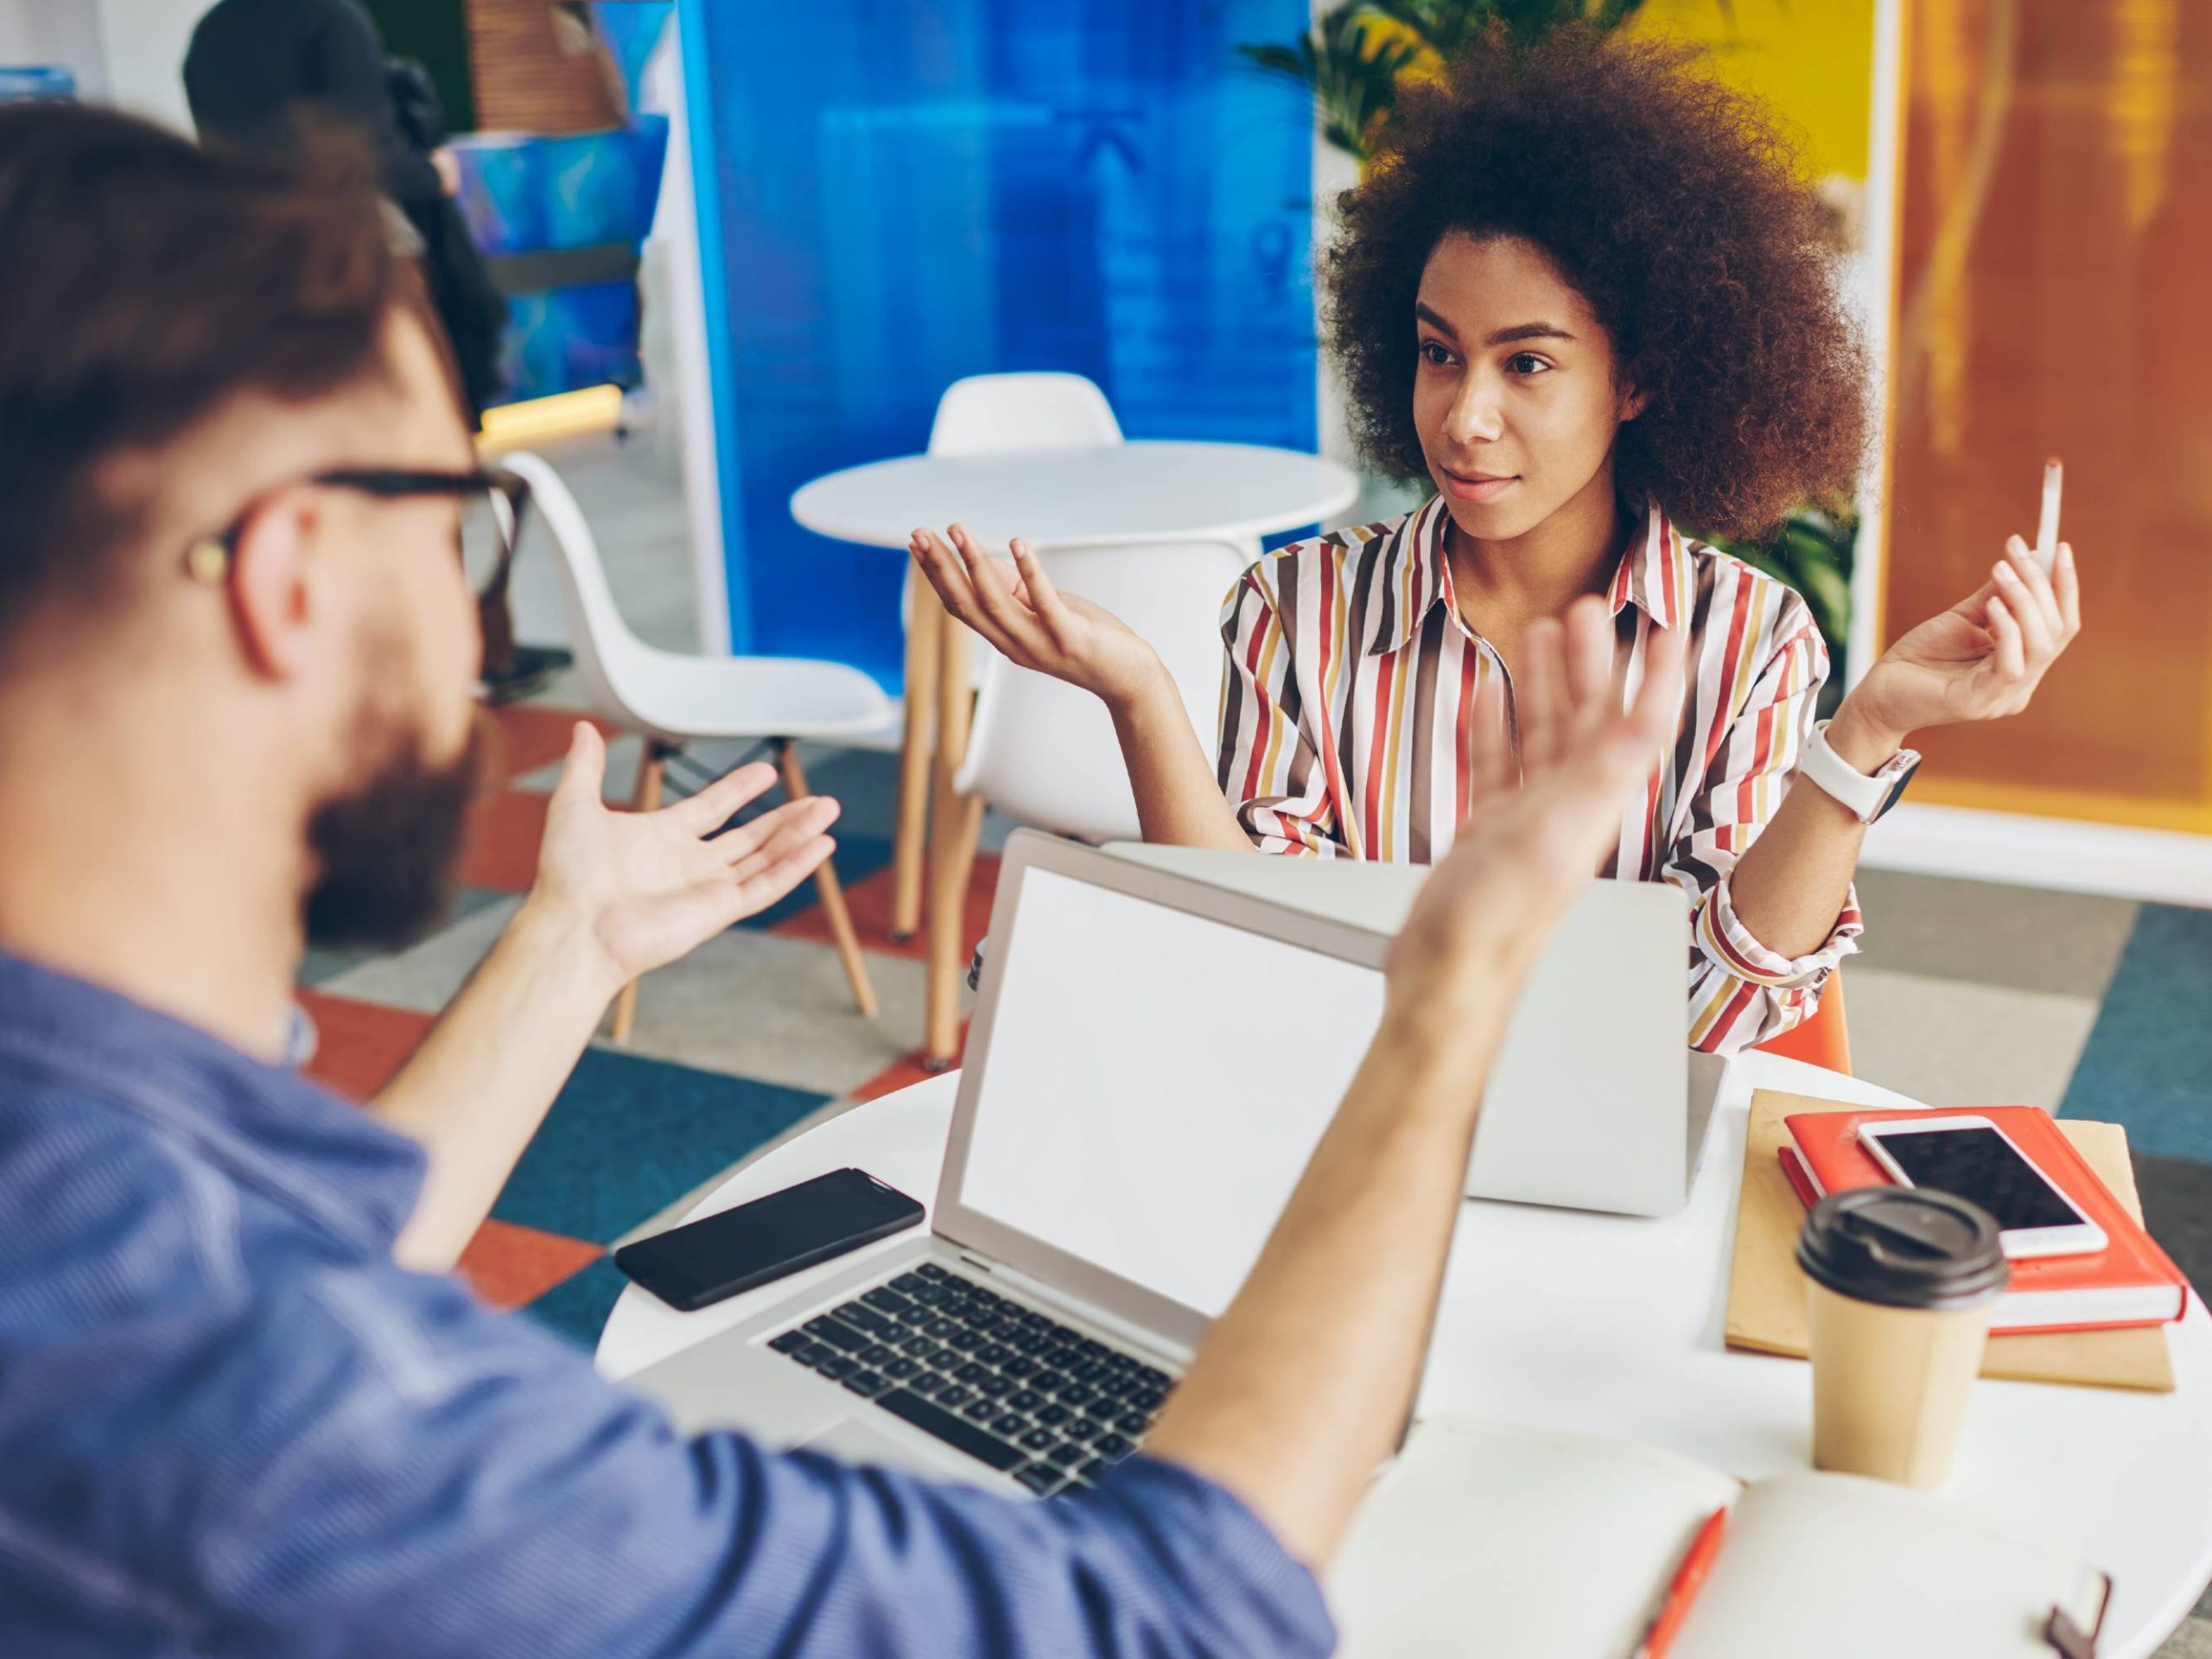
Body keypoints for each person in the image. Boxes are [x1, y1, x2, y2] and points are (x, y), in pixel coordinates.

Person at [0, 103, 1681, 1655]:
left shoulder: (83, 1179)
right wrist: (1454, 976)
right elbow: (1172, 1621)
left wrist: (569, 946)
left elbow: (293, 1238)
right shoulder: (256, 1432)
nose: (467, 620)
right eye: (458, 523)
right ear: (291, 576)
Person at [910, 28, 2082, 1054]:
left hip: (1619, 1137)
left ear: (1639, 378)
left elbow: (1720, 1003)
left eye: (1527, 363)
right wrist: (1140, 696)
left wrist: (1865, 732)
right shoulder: (1293, 608)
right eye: (1437, 352)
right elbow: (1258, 956)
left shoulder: (1747, 637)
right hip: (1350, 1114)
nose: (1463, 416)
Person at [184, 0, 554, 702]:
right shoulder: (330, 19)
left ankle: (347, 668)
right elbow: (372, 155)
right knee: (426, 469)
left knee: (313, 477)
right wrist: (436, 174)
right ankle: (455, 661)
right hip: (360, 268)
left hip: (256, 279)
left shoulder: (210, 35)